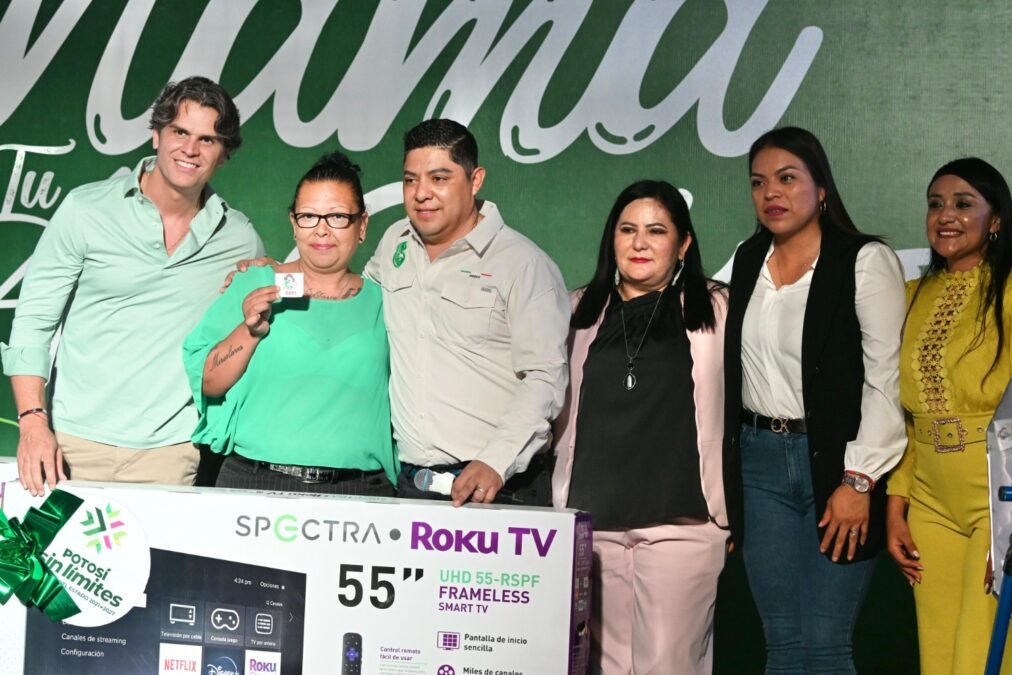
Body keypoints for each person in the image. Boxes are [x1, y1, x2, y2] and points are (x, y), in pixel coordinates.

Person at [1, 76, 264, 496]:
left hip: (171, 452)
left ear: (224, 153)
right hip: (72, 443)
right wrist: (33, 423)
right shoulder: (85, 209)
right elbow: (33, 321)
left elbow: (248, 334)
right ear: (156, 134)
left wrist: (264, 279)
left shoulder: (238, 238)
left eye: (208, 139)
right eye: (180, 132)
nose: (191, 149)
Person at [723, 126, 907, 674]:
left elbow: (886, 379)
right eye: (758, 182)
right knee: (781, 641)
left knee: (825, 643)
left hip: (836, 463)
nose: (770, 193)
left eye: (787, 178)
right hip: (758, 463)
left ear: (821, 187)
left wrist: (859, 480)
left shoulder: (864, 259)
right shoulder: (747, 258)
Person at [886, 158, 1012, 675]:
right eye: (935, 204)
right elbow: (906, 417)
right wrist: (896, 504)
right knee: (938, 659)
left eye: (963, 204)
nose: (946, 215)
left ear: (996, 219)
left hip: (999, 495)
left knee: (982, 658)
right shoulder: (909, 296)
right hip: (928, 501)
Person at [551, 180, 728, 674]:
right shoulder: (575, 310)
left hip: (681, 526)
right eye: (627, 230)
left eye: (656, 231)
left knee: (668, 665)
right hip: (593, 526)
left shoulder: (718, 308)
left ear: (683, 243)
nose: (640, 243)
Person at [365, 118, 570, 506]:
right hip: (410, 484)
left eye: (439, 178)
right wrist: (278, 273)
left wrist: (496, 461)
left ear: (475, 180)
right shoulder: (394, 242)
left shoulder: (524, 264)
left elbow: (544, 376)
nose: (421, 194)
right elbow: (352, 296)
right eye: (410, 180)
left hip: (499, 486)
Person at [182, 152, 395, 495]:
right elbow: (209, 383)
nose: (322, 229)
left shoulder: (385, 302)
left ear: (362, 225)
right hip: (255, 482)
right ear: (293, 223)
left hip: (359, 491)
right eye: (308, 216)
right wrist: (249, 331)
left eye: (338, 216)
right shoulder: (254, 282)